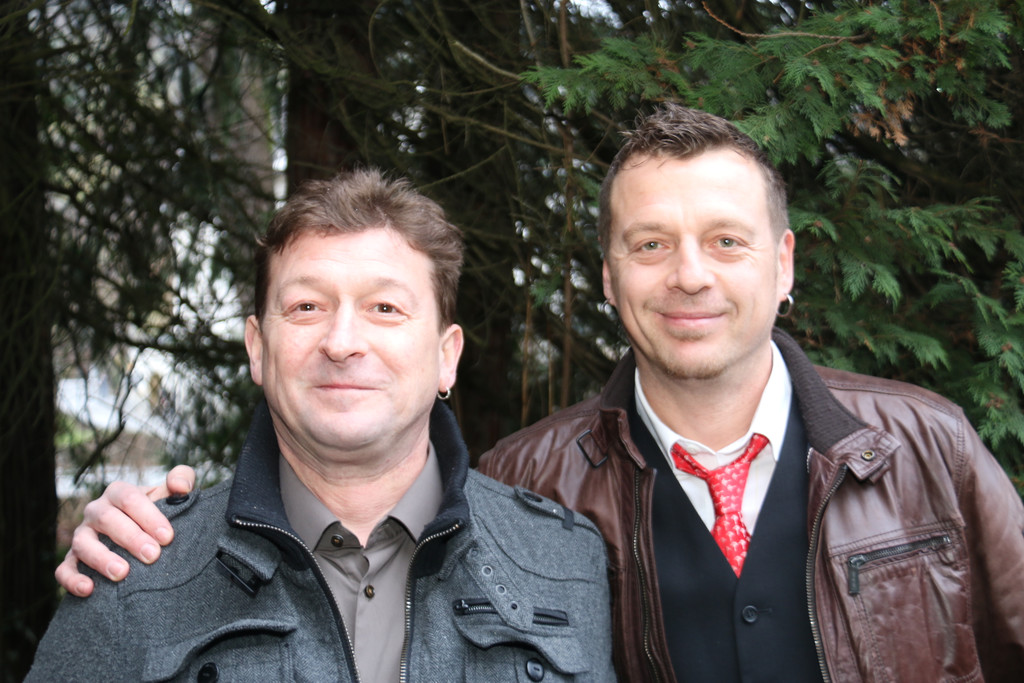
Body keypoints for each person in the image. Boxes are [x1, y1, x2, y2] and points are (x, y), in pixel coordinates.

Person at [57, 106, 1024, 682]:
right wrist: (142, 532)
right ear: (608, 275)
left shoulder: (926, 445)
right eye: (650, 243)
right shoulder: (535, 485)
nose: (689, 274)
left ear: (784, 263)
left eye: (726, 241)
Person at [32, 168, 615, 682]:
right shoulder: (136, 575)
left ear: (447, 356)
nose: (341, 342)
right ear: (258, 349)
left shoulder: (564, 563)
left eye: (385, 308)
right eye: (307, 307)